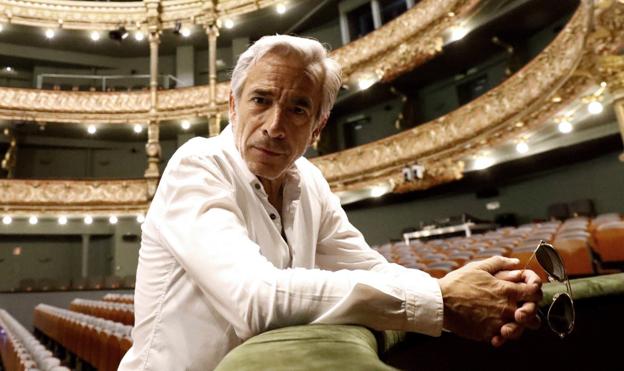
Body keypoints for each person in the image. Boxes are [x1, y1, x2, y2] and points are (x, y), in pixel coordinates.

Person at [118, 35, 541, 371]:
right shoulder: (197, 166)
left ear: (318, 127)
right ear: (233, 105)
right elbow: (255, 299)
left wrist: (480, 292)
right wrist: (442, 301)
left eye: (298, 109)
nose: (274, 126)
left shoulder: (311, 182)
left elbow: (368, 267)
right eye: (261, 100)